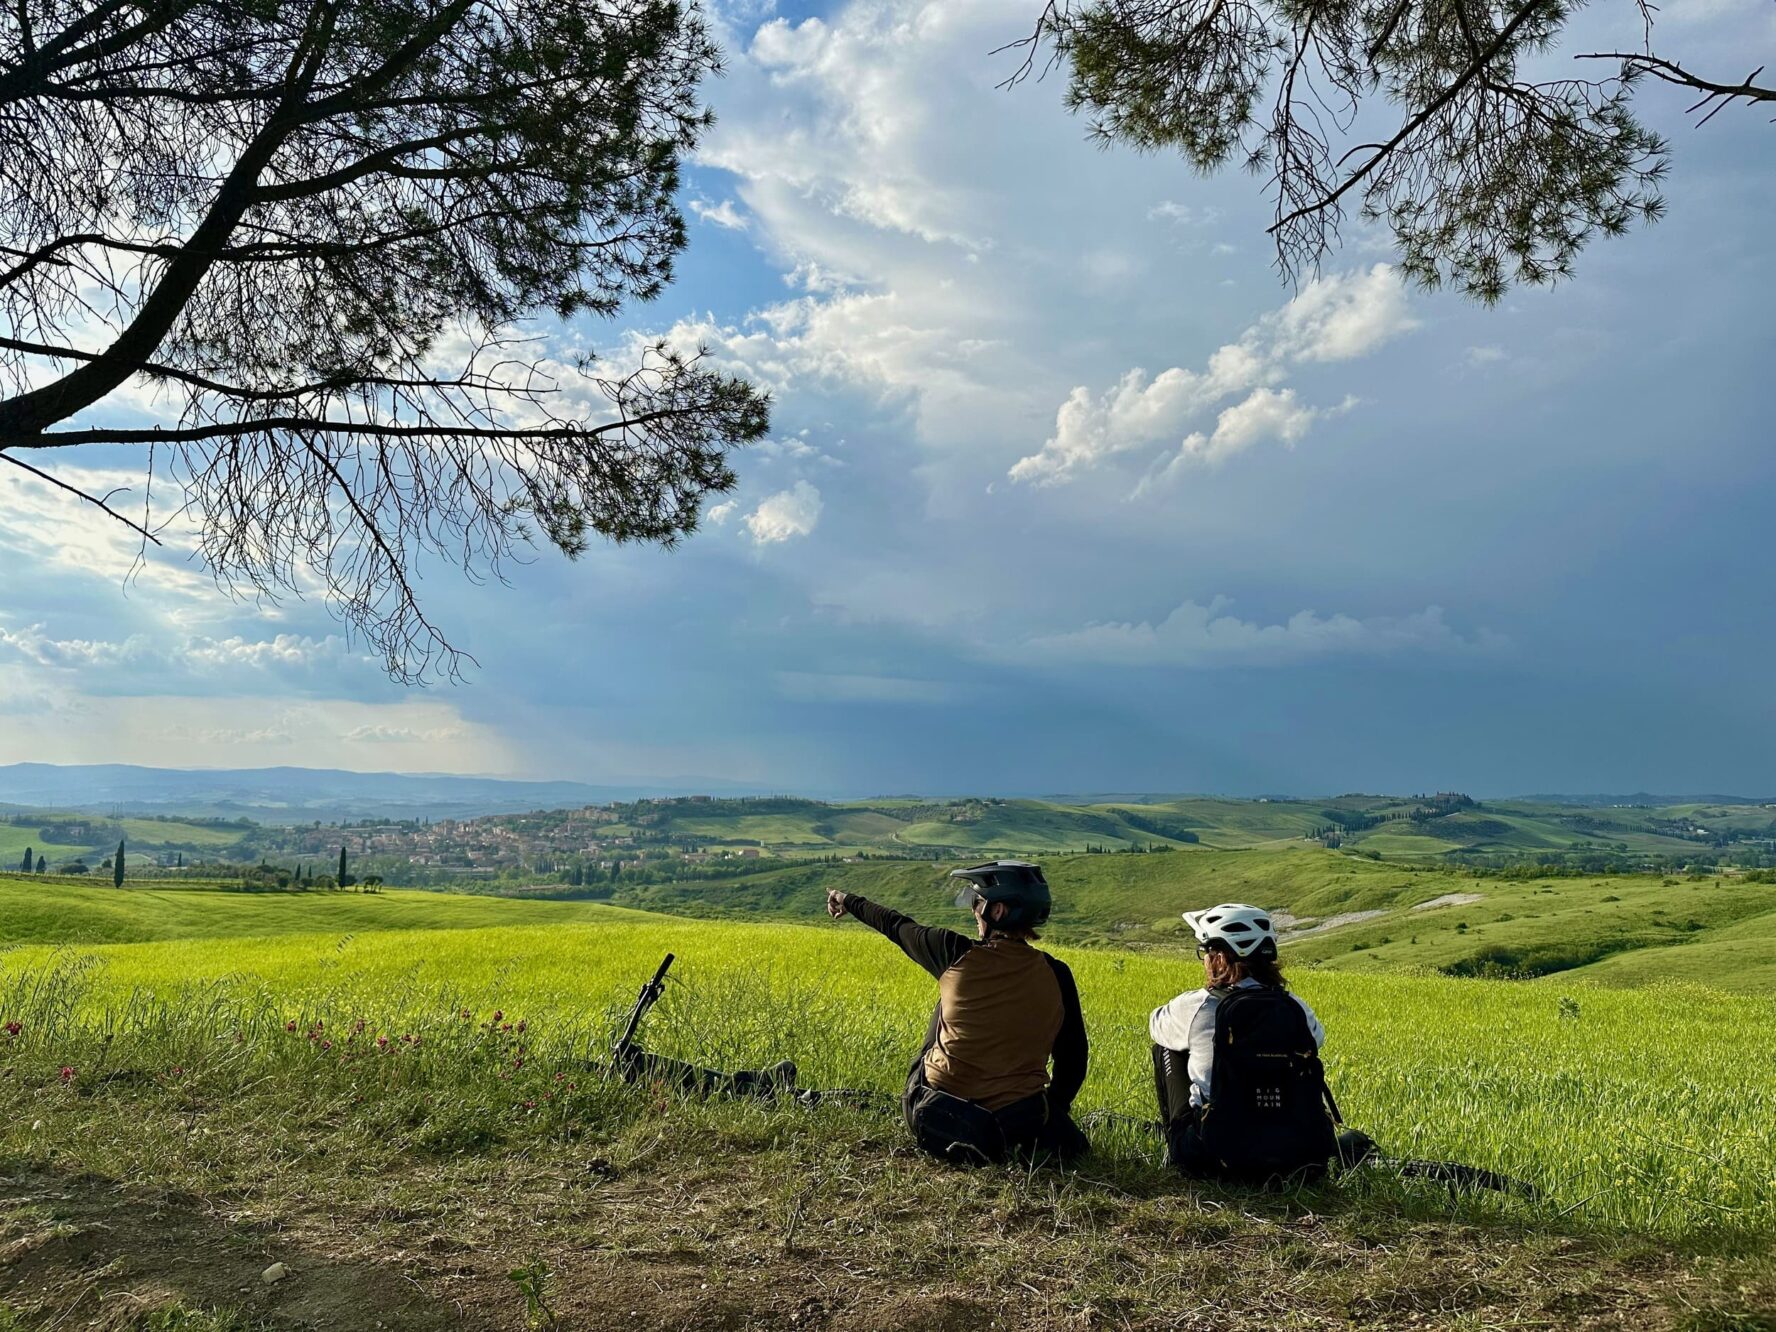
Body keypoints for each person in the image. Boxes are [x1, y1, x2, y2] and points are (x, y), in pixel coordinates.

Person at [826, 861, 1090, 1164]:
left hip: (936, 1111)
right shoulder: (1057, 974)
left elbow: (895, 925)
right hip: (1016, 1125)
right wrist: (1051, 1112)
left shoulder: (953, 951)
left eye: (977, 902)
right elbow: (1074, 1059)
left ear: (998, 911)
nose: (973, 910)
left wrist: (846, 900)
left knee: (948, 998)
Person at [1150, 903, 1372, 1182]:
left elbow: (1155, 1024)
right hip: (1298, 1159)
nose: (1205, 960)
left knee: (1167, 1046)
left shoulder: (1199, 1006)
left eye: (1206, 952)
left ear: (1219, 957)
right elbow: (1318, 1039)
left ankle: (1178, 1148)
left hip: (1217, 1159)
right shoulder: (1295, 1008)